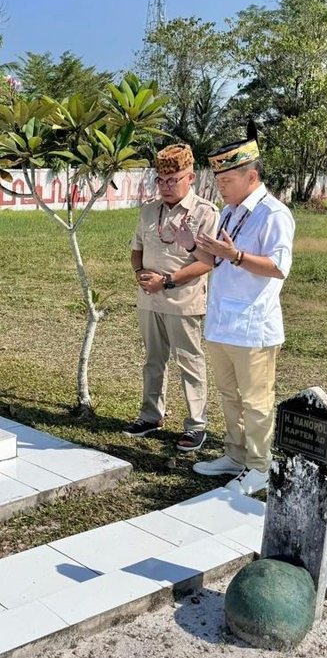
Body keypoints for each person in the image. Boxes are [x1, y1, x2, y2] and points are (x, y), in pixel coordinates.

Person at [176, 124, 295, 495]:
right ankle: (235, 454)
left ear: (252, 176)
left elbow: (278, 267)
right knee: (229, 395)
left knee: (256, 402)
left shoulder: (273, 214)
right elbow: (215, 262)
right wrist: (191, 246)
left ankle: (259, 466)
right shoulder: (229, 212)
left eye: (226, 179)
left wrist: (238, 255)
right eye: (219, 179)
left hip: (253, 326)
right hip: (222, 323)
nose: (220, 187)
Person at [124, 143, 219, 452]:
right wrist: (140, 272)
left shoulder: (204, 212)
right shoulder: (149, 209)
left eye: (173, 179)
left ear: (190, 178)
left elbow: (206, 261)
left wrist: (165, 281)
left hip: (183, 300)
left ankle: (196, 425)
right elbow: (136, 247)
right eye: (160, 180)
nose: (165, 186)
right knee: (153, 359)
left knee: (189, 362)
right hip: (149, 298)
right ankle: (150, 415)